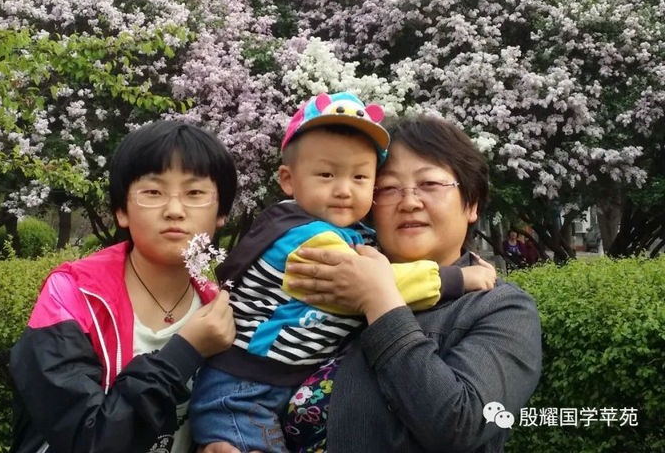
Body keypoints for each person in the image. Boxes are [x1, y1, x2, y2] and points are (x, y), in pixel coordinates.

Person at [191, 95, 498, 453]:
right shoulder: (307, 240)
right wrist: (459, 279)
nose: (343, 189)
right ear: (288, 179)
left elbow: (458, 426)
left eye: (361, 178)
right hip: (243, 392)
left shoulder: (499, 309)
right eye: (389, 188)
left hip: (260, 387)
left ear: (472, 204)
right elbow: (376, 283)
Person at [9, 121, 238, 453]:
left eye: (195, 193)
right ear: (121, 211)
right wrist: (184, 352)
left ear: (221, 213)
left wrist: (220, 440)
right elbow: (86, 439)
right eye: (153, 192)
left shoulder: (219, 309)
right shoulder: (73, 297)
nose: (175, 211)